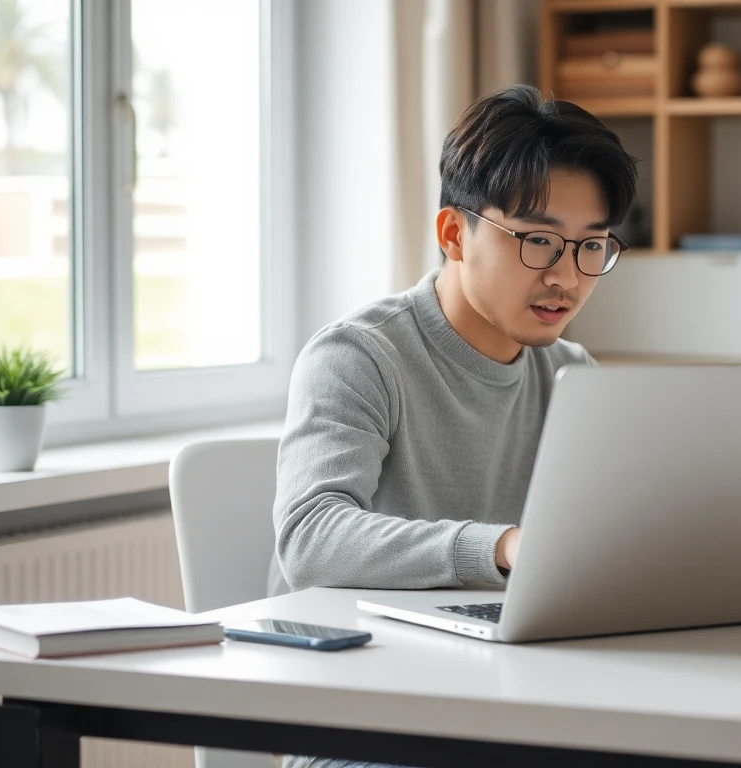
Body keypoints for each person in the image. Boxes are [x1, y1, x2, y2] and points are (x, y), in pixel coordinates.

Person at [268, 83, 637, 768]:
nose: (567, 277)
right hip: (359, 720)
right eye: (538, 242)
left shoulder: (571, 372)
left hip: (509, 704)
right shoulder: (358, 357)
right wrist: (497, 547)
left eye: (591, 247)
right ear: (452, 234)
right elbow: (309, 537)